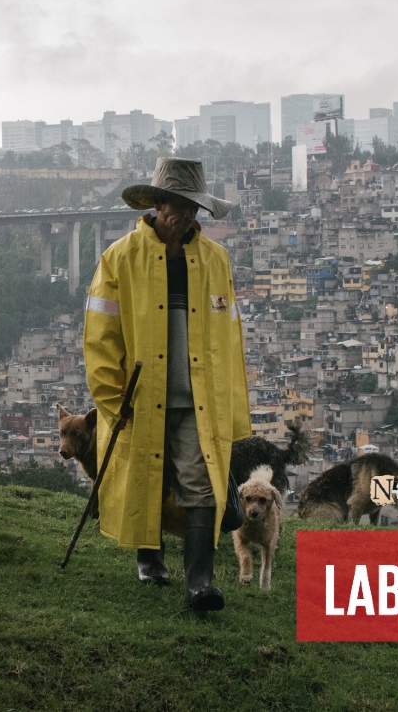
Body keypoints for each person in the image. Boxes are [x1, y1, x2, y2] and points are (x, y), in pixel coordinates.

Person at [83, 157, 251, 611]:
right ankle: (149, 559)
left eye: (194, 208)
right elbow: (100, 339)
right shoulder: (119, 259)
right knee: (148, 481)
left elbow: (229, 338)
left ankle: (199, 584)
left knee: (200, 484)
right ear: (157, 205)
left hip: (199, 400)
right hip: (142, 397)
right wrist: (113, 399)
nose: (187, 216)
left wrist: (232, 406)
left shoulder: (215, 261)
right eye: (179, 206)